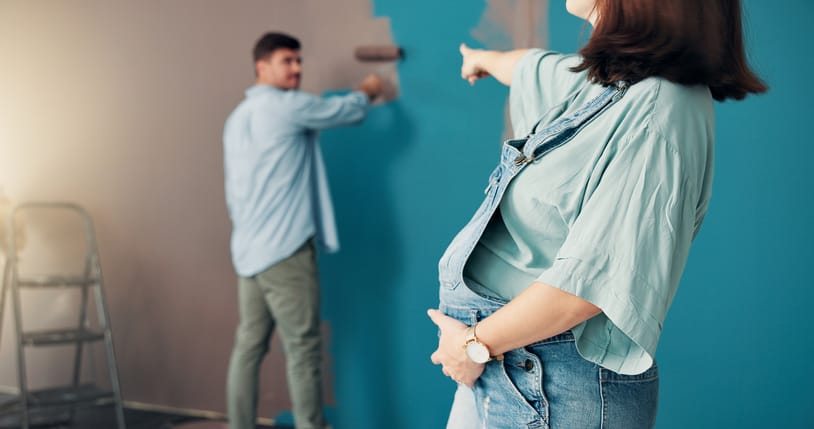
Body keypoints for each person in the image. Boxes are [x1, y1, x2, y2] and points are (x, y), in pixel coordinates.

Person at [428, 0, 767, 428]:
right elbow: (533, 68)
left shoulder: (659, 109)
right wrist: (484, 59)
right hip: (508, 366)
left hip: (547, 385)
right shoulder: (609, 85)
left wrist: (471, 345)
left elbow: (589, 287)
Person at [223, 32, 383, 429]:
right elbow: (345, 111)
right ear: (262, 66)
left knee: (249, 347)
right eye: (287, 61)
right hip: (285, 251)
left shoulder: (237, 118)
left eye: (298, 61)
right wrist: (368, 89)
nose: (296, 69)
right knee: (303, 349)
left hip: (248, 252)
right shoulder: (286, 106)